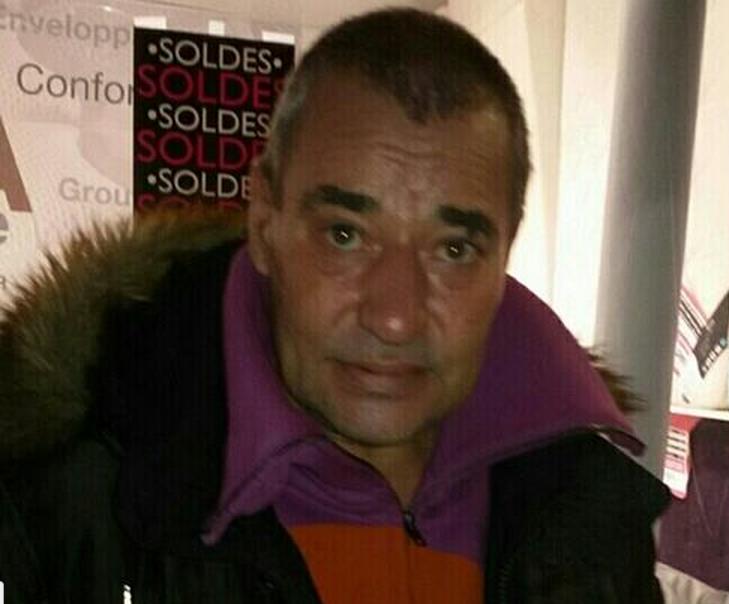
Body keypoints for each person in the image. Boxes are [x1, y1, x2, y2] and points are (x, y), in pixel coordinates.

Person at [0, 8, 669, 603]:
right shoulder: (63, 509)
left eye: (454, 249)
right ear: (265, 222)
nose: (395, 317)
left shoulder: (589, 515)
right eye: (345, 235)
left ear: (505, 250)